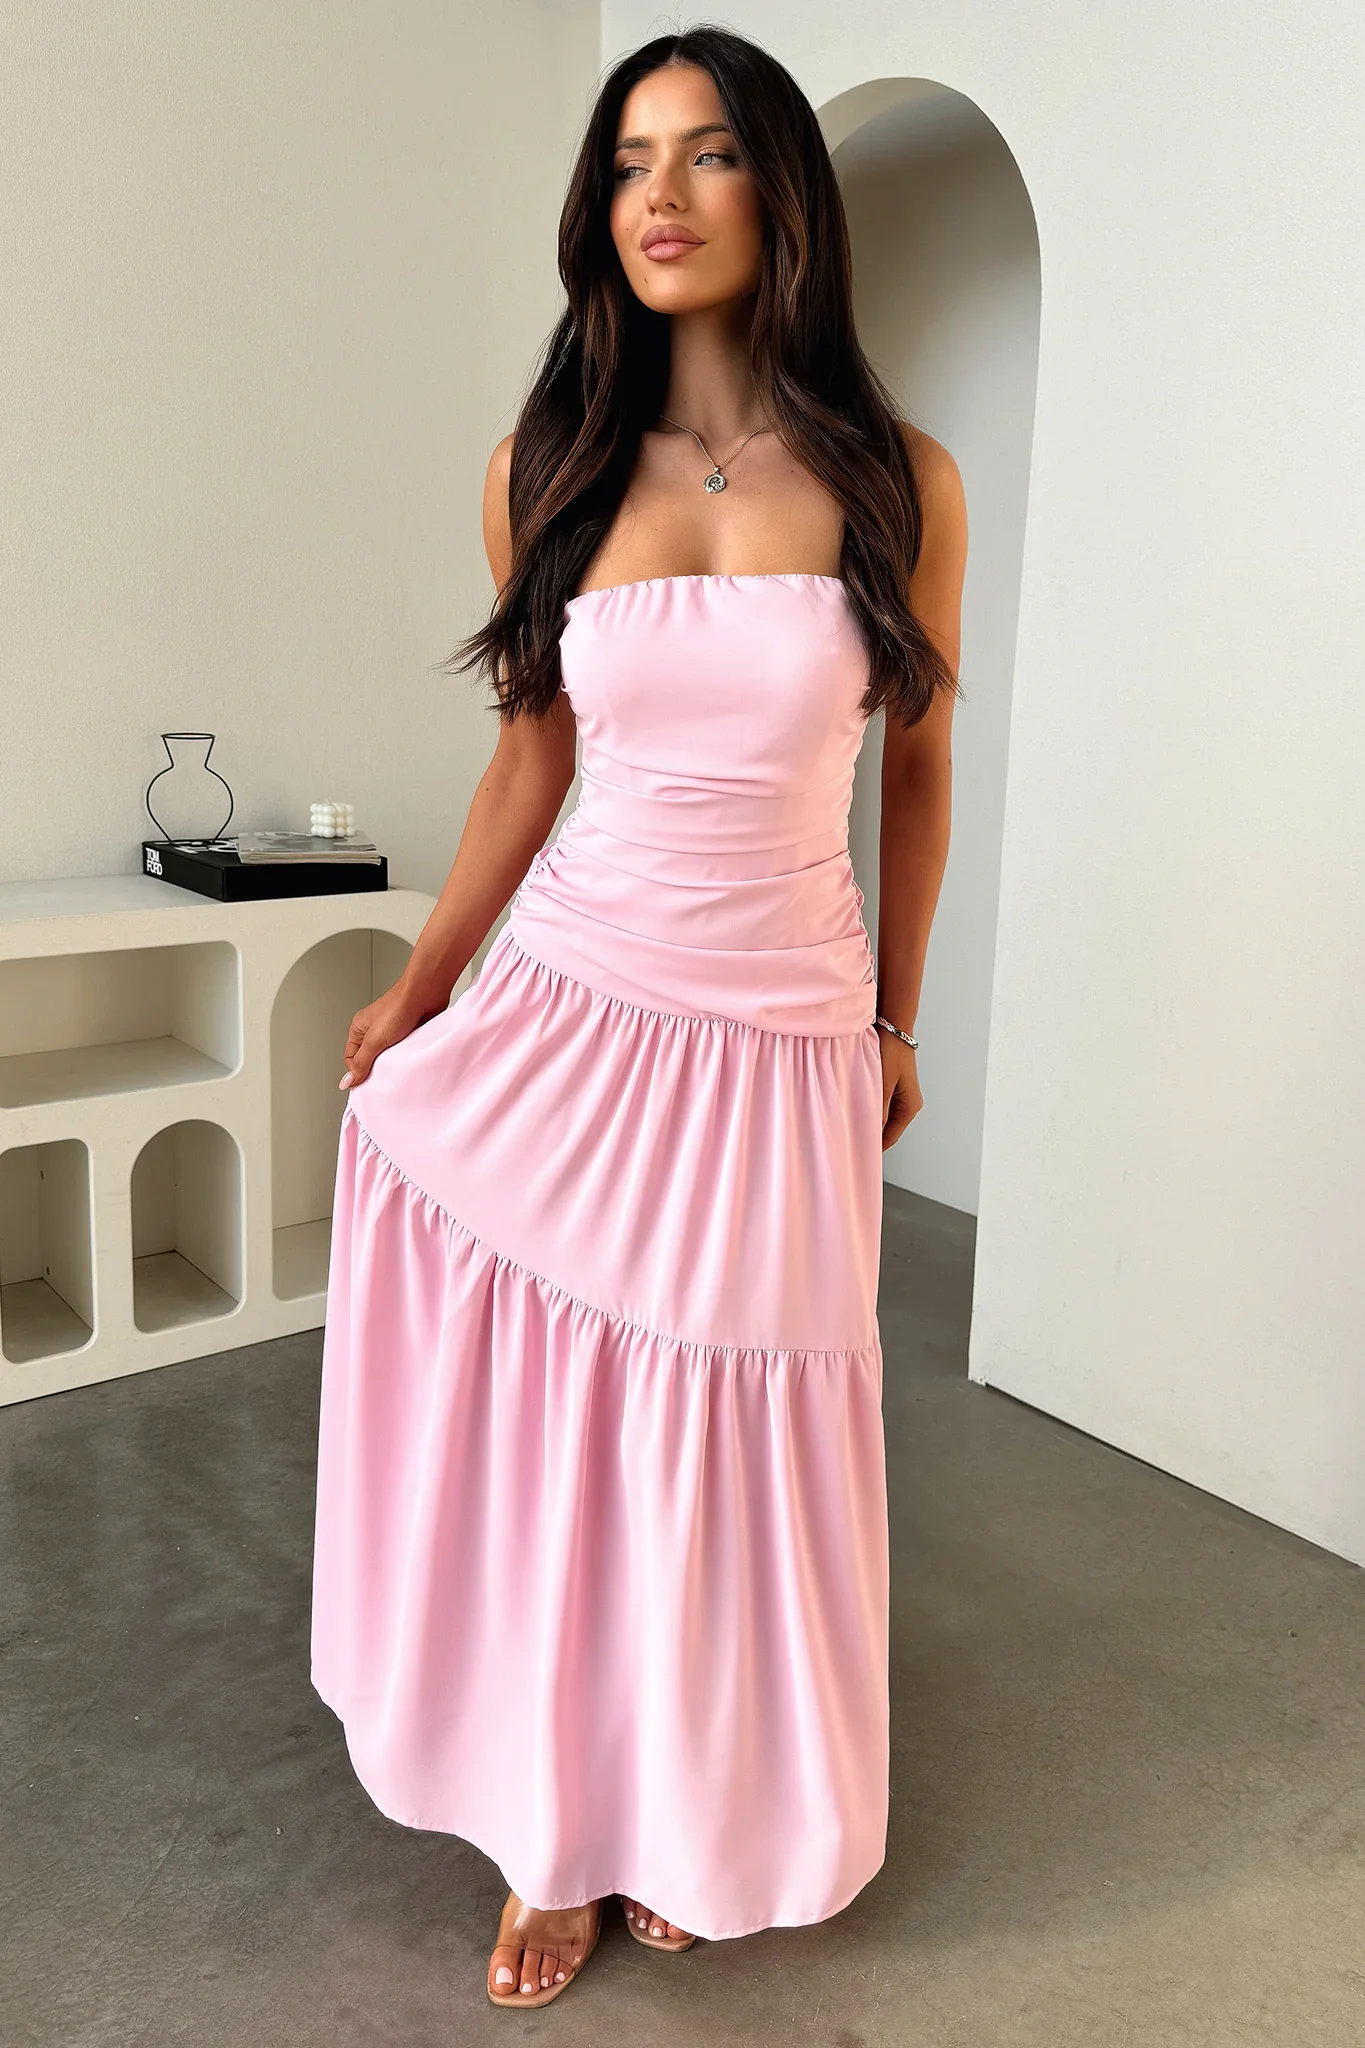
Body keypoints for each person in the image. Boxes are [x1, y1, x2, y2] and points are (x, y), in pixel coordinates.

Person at [309, 22, 966, 2013]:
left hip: (781, 1028)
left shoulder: (897, 480)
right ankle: (553, 1831)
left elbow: (917, 768)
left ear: (784, 192)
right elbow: (530, 760)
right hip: (578, 1002)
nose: (657, 196)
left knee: (729, 1434)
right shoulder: (546, 469)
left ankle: (690, 1811)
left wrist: (895, 1024)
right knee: (568, 1433)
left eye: (703, 153)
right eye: (624, 162)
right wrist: (425, 987)